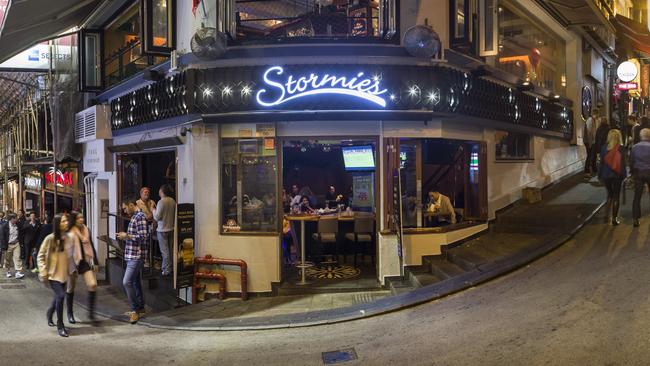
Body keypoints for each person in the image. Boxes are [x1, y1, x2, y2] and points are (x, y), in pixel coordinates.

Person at [37, 213, 75, 337]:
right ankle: (60, 325)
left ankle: (50, 312)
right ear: (58, 224)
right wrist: (43, 271)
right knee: (61, 295)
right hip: (53, 275)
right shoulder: (50, 238)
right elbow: (40, 255)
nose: (66, 223)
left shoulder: (68, 238)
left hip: (64, 274)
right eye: (63, 221)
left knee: (58, 297)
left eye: (67, 221)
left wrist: (74, 269)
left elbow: (70, 257)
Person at [117, 197, 150, 324]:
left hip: (136, 256)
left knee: (127, 282)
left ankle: (135, 310)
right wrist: (125, 236)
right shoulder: (136, 217)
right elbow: (136, 237)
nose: (124, 211)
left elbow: (144, 237)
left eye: (125, 208)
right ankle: (140, 307)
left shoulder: (140, 216)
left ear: (131, 205)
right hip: (132, 255)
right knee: (135, 282)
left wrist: (127, 236)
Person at [66, 211, 99, 323]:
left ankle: (91, 314)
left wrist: (96, 261)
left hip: (85, 261)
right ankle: (70, 313)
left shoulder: (86, 229)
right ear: (74, 220)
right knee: (70, 288)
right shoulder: (70, 232)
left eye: (82, 217)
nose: (81, 220)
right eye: (79, 218)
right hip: (73, 262)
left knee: (92, 284)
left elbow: (91, 245)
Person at [598, 129, 627, 226]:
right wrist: (624, 175)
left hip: (606, 175)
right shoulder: (621, 148)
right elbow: (623, 164)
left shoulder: (603, 148)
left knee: (609, 194)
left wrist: (599, 176)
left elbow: (601, 163)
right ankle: (614, 219)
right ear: (619, 137)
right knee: (616, 196)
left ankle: (606, 216)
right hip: (617, 175)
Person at [153, 184, 176, 276]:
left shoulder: (161, 202)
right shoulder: (173, 201)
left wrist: (153, 210)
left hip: (162, 230)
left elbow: (157, 217)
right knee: (170, 250)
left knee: (164, 251)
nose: (158, 191)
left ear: (162, 191)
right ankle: (171, 268)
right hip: (171, 228)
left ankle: (166, 270)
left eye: (159, 190)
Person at [631, 128, 650, 227]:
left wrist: (632, 173)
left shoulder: (635, 147)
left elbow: (631, 161)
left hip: (638, 173)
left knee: (637, 196)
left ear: (640, 136)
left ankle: (635, 218)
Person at [3, 214, 24, 278]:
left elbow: (22, 231)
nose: (17, 219)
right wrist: (3, 246)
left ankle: (18, 272)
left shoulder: (18, 225)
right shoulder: (4, 226)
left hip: (16, 244)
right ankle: (8, 271)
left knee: (17, 258)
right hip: (8, 245)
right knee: (7, 259)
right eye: (16, 218)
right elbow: (2, 237)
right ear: (12, 219)